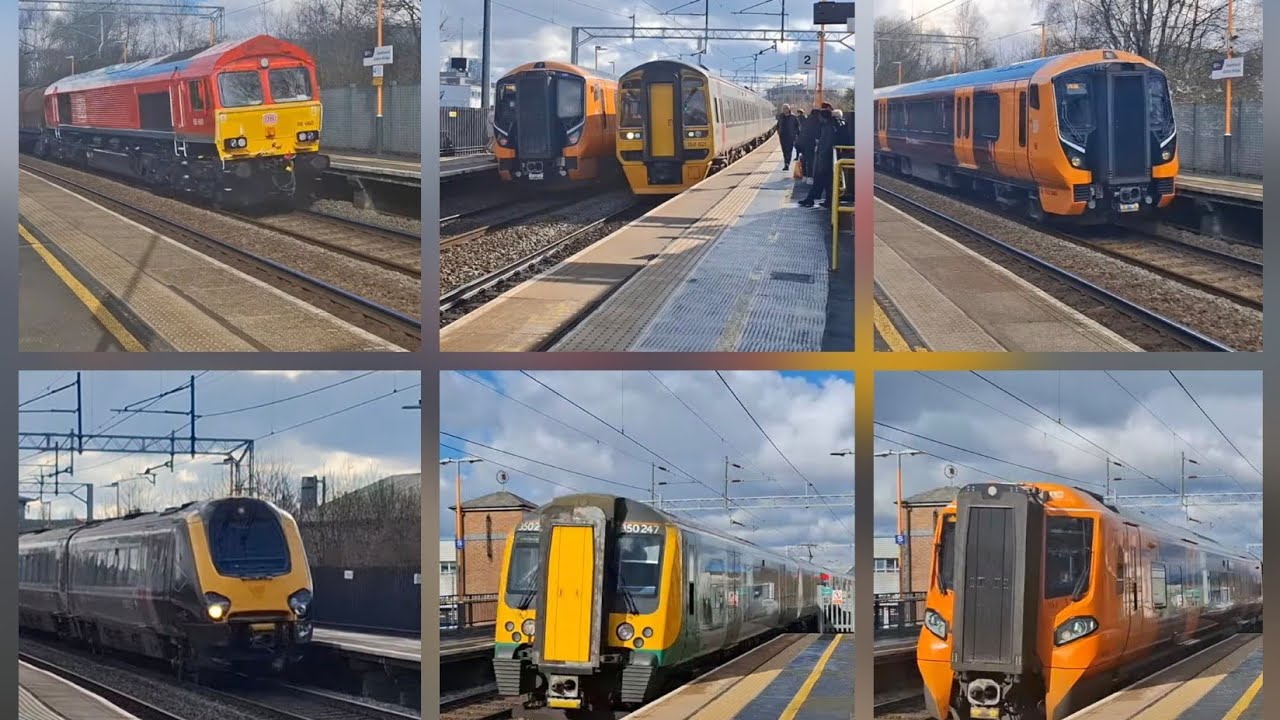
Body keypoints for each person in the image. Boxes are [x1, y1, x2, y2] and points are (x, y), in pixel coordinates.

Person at [799, 103, 837, 208]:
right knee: (825, 183)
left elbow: (826, 144)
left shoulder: (828, 128)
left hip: (825, 161)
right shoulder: (828, 126)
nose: (819, 119)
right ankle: (817, 200)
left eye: (820, 117)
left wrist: (821, 159)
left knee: (823, 182)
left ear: (824, 118)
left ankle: (812, 200)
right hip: (825, 160)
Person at [776, 104, 800, 170]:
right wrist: (778, 131)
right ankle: (786, 162)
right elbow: (778, 125)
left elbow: (797, 126)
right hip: (782, 136)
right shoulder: (781, 117)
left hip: (790, 136)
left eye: (786, 108)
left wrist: (797, 135)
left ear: (789, 109)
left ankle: (787, 164)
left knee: (789, 150)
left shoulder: (793, 117)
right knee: (784, 150)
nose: (784, 110)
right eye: (783, 108)